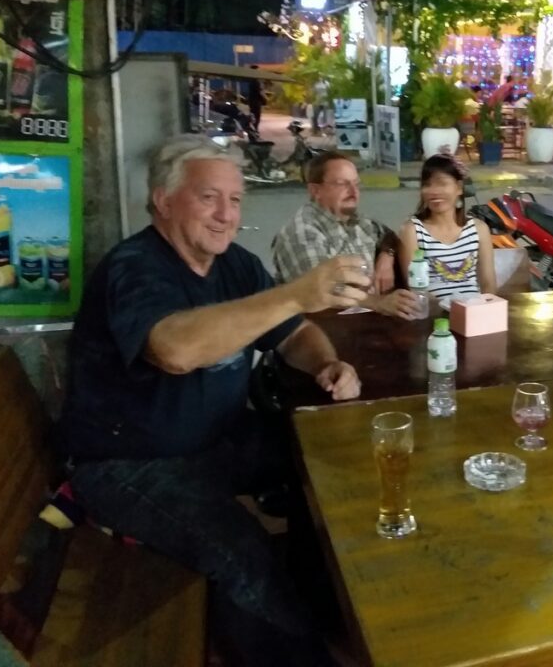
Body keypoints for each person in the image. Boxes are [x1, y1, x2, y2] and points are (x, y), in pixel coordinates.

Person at [59, 134, 369, 666]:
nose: (226, 214)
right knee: (242, 553)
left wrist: (326, 363)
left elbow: (293, 335)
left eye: (235, 199)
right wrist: (295, 292)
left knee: (327, 465)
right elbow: (175, 349)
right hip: (129, 463)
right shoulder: (134, 268)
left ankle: (327, 609)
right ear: (163, 199)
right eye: (209, 197)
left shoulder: (236, 266)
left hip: (216, 439)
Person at [272, 152, 419, 319]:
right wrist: (378, 302)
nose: (353, 191)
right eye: (342, 184)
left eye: (356, 184)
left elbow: (389, 236)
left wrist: (387, 256)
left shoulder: (358, 222)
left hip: (367, 325)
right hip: (324, 330)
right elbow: (322, 290)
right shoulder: (302, 232)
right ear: (315, 190)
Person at [399, 154, 496, 301]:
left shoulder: (479, 229)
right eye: (427, 184)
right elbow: (415, 288)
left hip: (474, 311)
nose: (433, 191)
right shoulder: (413, 231)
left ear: (459, 188)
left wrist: (484, 309)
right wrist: (448, 310)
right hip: (432, 316)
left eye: (442, 183)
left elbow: (488, 282)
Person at [245, 65, 263, 133]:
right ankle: (255, 130)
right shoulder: (255, 81)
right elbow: (257, 93)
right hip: (256, 102)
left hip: (252, 102)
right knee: (256, 117)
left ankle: (254, 130)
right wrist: (263, 100)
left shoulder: (251, 81)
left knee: (253, 117)